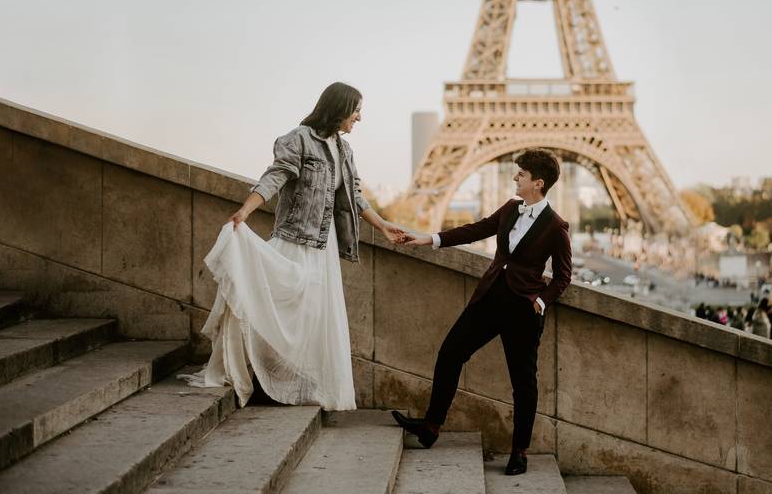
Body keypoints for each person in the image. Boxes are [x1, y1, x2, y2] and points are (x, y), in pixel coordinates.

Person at [181, 82, 406, 408]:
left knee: (311, 315)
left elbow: (354, 196)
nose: (359, 117)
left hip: (323, 244)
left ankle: (290, 381)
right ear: (340, 108)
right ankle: (262, 373)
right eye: (356, 110)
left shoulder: (345, 151)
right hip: (296, 237)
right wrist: (245, 210)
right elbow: (277, 175)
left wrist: (383, 226)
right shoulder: (298, 139)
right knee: (279, 305)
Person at [393, 149, 572, 477]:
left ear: (539, 182)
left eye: (521, 174)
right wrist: (429, 239)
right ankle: (431, 427)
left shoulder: (557, 226)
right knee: (450, 353)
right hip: (490, 298)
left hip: (523, 309)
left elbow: (563, 276)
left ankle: (520, 451)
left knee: (523, 383)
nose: (515, 178)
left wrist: (542, 301)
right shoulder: (510, 208)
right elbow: (475, 230)